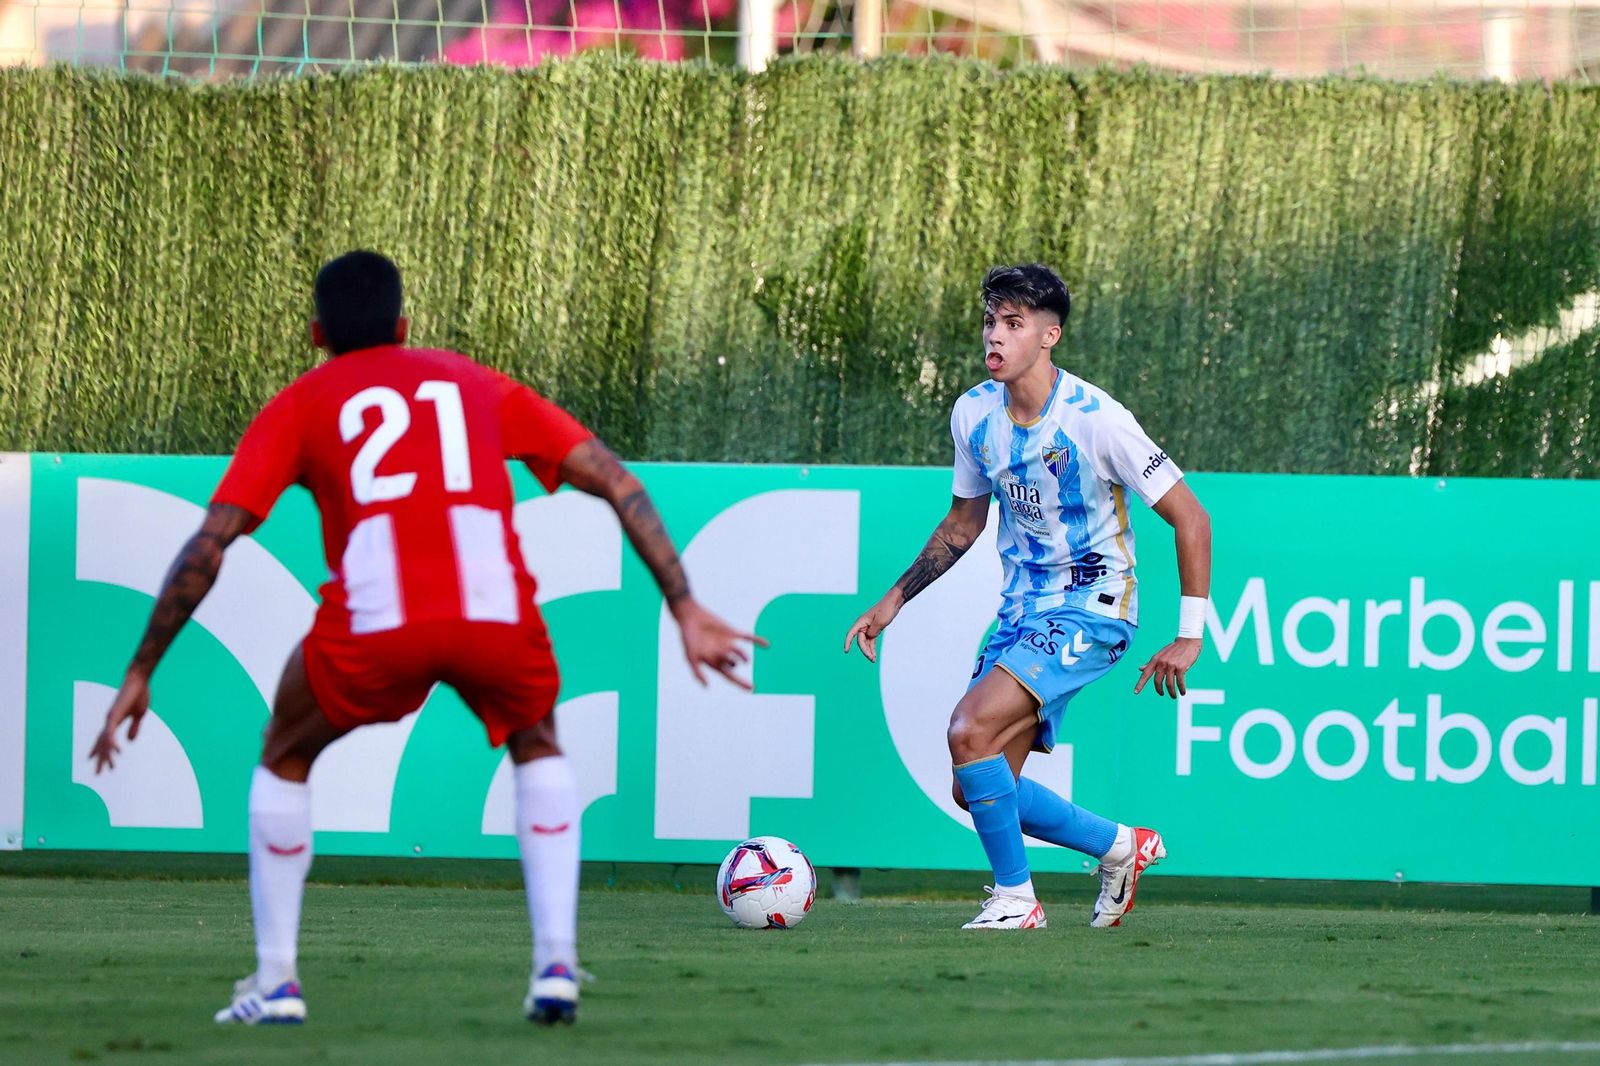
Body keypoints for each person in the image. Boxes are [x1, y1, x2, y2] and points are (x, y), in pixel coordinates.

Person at [88, 250, 762, 1025]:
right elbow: (614, 478)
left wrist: (143, 668)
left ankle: (276, 981)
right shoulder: (474, 383)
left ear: (316, 334)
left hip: (376, 625)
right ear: (405, 327)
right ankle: (556, 965)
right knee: (537, 744)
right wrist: (683, 603)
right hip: (495, 617)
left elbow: (209, 545)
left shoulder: (301, 405)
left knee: (285, 755)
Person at [844, 263, 1211, 931]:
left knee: (967, 728)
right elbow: (963, 524)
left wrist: (1190, 635)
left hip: (1095, 607)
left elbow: (1192, 517)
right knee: (975, 781)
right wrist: (893, 601)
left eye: (1013, 323)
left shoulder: (1097, 421)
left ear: (1050, 336)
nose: (996, 335)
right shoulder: (973, 413)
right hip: (1019, 614)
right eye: (991, 320)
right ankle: (1120, 846)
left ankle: (1017, 899)